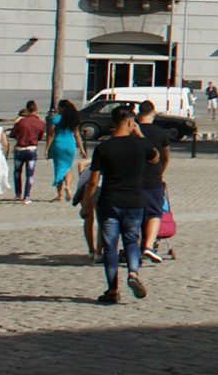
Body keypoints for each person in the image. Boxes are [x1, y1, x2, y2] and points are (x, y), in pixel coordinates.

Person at [80, 106, 157, 305]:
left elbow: (93, 180)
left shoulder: (103, 148)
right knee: (131, 241)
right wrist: (140, 136)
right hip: (134, 201)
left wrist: (87, 204)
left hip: (109, 201)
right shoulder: (141, 145)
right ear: (131, 123)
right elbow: (155, 158)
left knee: (110, 247)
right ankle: (133, 273)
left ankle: (112, 290)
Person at [136, 101, 173, 262]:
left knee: (135, 214)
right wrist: (160, 171)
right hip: (153, 178)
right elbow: (166, 157)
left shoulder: (133, 131)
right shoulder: (161, 133)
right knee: (154, 213)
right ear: (153, 113)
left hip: (133, 177)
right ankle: (148, 245)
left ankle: (133, 246)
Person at [9, 102, 46, 204]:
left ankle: (18, 193)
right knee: (30, 174)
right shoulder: (41, 123)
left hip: (20, 149)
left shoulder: (21, 122)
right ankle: (27, 196)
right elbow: (40, 137)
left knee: (17, 172)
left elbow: (12, 134)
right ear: (36, 110)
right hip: (32, 149)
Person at [46, 100, 80, 202]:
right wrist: (82, 149)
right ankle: (67, 186)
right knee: (68, 167)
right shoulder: (72, 119)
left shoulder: (56, 119)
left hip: (58, 144)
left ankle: (60, 195)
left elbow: (51, 134)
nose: (57, 109)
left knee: (58, 167)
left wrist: (47, 148)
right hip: (70, 144)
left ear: (62, 108)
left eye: (59, 107)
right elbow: (77, 135)